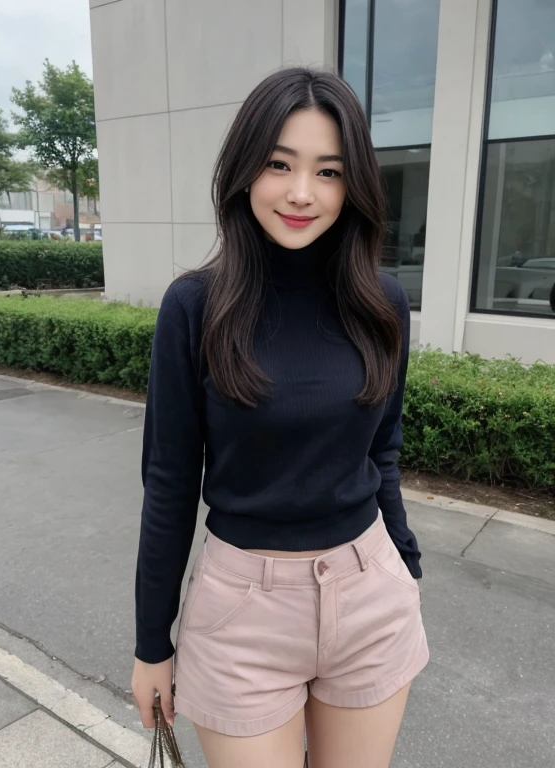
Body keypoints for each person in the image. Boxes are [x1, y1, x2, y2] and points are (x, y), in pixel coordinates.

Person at [131, 67, 429, 768]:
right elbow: (170, 484)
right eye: (279, 164)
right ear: (244, 171)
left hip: (369, 595)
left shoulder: (382, 305)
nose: (302, 192)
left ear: (352, 185)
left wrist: (406, 567)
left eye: (328, 171)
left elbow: (382, 450)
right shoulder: (195, 307)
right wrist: (153, 644)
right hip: (242, 618)